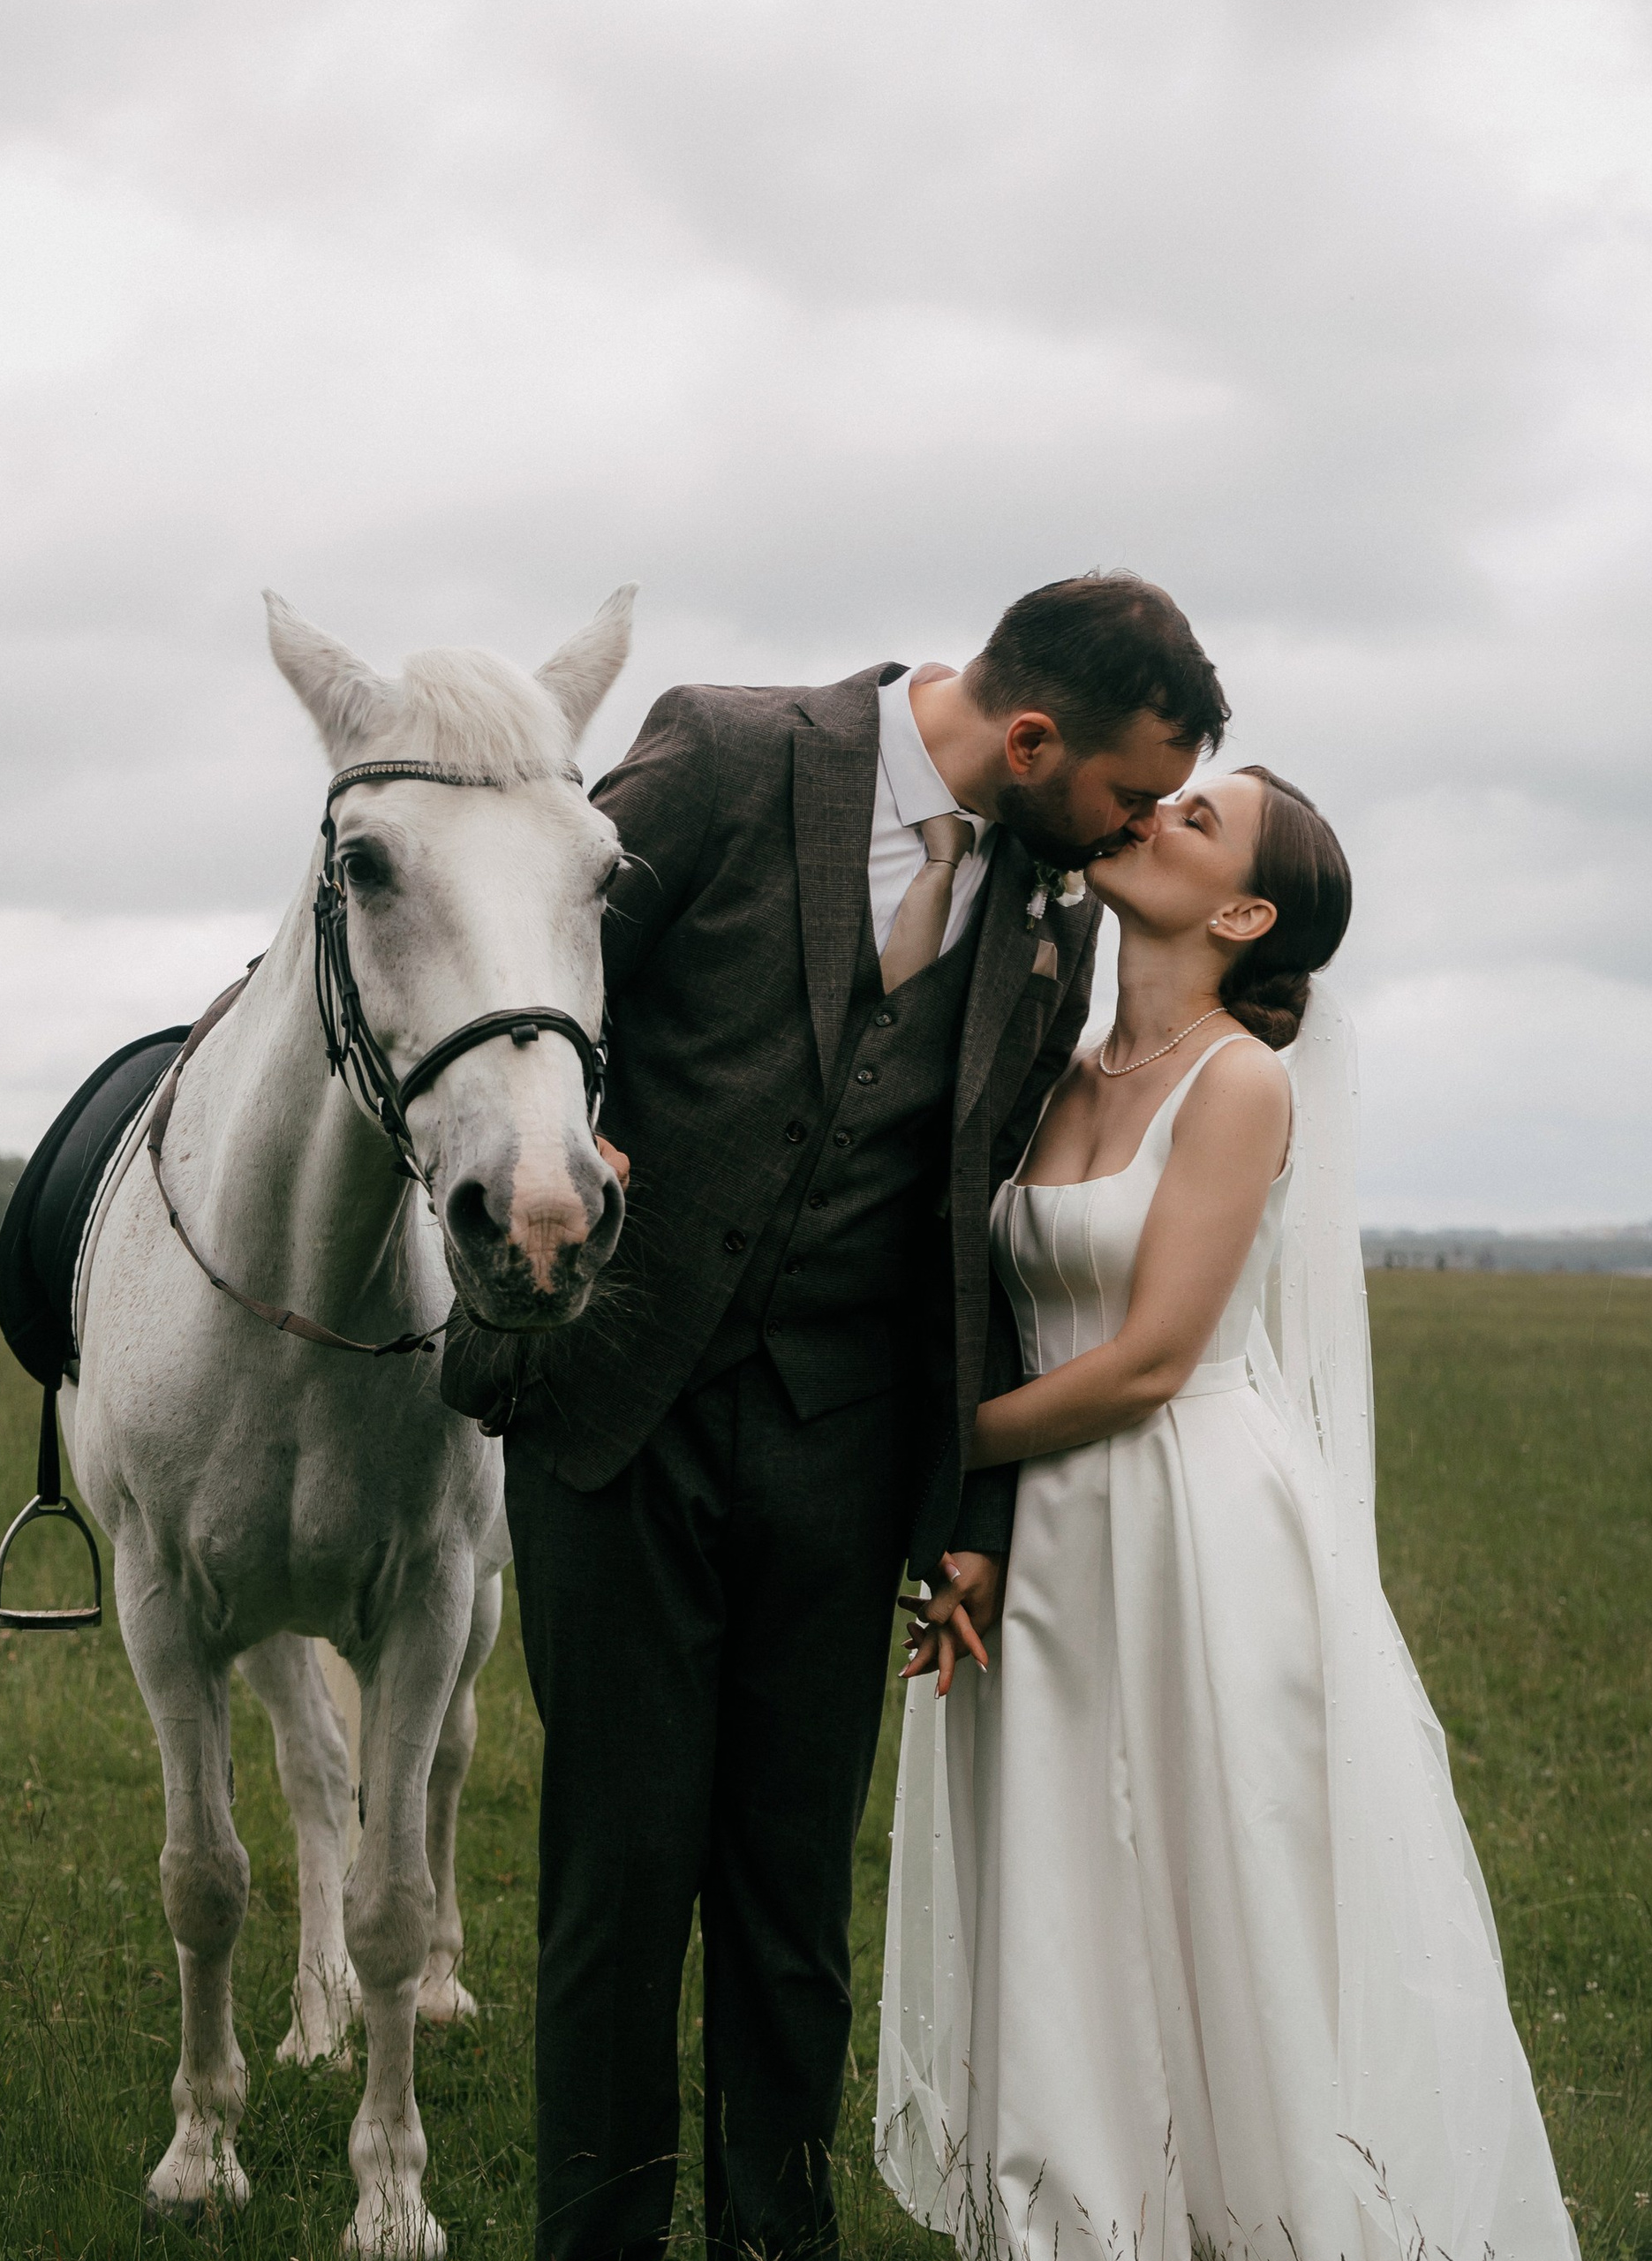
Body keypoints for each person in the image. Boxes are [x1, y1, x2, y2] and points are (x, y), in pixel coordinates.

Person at [439, 573, 1230, 2261]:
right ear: (1033, 739)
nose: (1135, 832)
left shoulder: (1054, 913)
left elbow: (975, 1224)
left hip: (841, 1453)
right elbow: (533, 975)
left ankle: (776, 2243)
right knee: (618, 1889)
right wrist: (575, 1133)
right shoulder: (729, 755)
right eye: (1129, 793)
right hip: (619, 1416)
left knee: (792, 1903)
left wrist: (965, 1509)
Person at [877, 769, 1583, 2261]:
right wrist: (974, 1516)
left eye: (1197, 822)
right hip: (1042, 1534)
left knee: (1215, 1879)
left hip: (1190, 1521)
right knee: (1060, 1876)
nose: (1153, 816)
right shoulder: (1061, 1070)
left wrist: (916, 1462)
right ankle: (1082, 2213)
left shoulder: (1241, 1083)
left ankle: (1258, 2213)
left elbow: (1149, 1361)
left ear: (1248, 915)